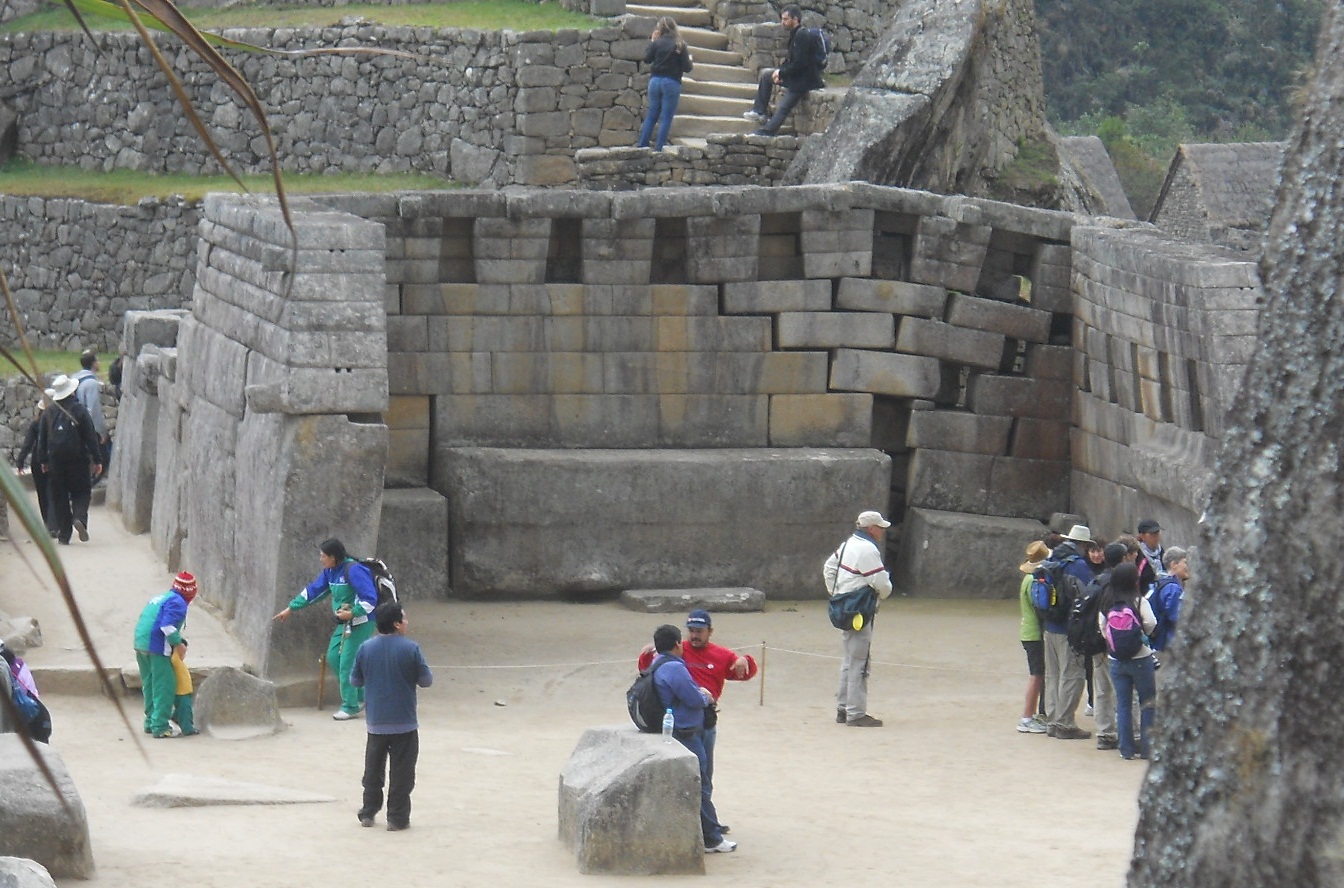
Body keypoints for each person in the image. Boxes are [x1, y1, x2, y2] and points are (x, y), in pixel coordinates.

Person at [637, 609, 757, 832]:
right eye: (691, 630)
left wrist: (745, 660)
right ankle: (700, 826)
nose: (694, 635)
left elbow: (743, 673)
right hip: (682, 723)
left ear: (710, 631)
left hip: (707, 722)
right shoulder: (677, 650)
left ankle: (705, 823)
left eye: (699, 631)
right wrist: (650, 652)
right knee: (686, 774)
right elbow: (647, 669)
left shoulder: (722, 655)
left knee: (705, 775)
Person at [649, 623, 736, 854]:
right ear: (678, 644)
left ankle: (706, 830)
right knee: (701, 782)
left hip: (673, 728)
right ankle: (712, 838)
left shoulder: (657, 662)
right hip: (686, 731)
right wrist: (706, 696)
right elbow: (693, 699)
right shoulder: (675, 668)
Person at [273, 538, 378, 720]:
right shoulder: (330, 572)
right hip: (345, 623)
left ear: (333, 557)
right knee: (333, 657)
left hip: (362, 621)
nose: (320, 559)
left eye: (323, 556)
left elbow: (370, 599)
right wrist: (291, 608)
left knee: (347, 662)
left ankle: (350, 706)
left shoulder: (354, 570)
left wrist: (353, 612)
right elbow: (313, 591)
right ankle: (362, 694)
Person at [350, 601, 433, 831]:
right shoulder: (411, 648)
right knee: (402, 773)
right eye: (404, 619)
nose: (406, 622)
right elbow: (426, 681)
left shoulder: (365, 648)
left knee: (373, 770)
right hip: (404, 722)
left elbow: (355, 680)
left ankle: (368, 812)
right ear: (397, 624)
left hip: (376, 722)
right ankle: (397, 818)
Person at [824, 509, 893, 727]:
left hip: (845, 607)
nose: (882, 531)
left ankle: (843, 708)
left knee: (849, 659)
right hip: (860, 609)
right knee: (860, 661)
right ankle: (855, 713)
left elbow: (829, 568)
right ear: (871, 529)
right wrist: (883, 593)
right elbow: (881, 582)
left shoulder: (849, 544)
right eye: (880, 528)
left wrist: (837, 593)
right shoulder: (867, 549)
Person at [1098, 562, 1157, 760]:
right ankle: (1147, 748)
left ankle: (1126, 749)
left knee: (1123, 705)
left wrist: (1114, 641)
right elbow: (1151, 622)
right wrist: (1140, 635)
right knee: (1147, 702)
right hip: (1141, 657)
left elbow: (1102, 626)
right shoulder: (1139, 601)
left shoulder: (1107, 602)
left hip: (1116, 659)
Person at [36, 373, 102, 545]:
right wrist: (97, 459)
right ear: (71, 391)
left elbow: (42, 439)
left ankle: (64, 535)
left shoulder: (49, 412)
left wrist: (43, 460)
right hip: (78, 459)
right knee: (82, 491)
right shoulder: (80, 411)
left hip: (56, 461)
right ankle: (79, 517)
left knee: (60, 496)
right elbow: (90, 437)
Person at [743, 5, 825, 136]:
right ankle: (759, 112)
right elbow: (791, 60)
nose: (782, 22)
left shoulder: (802, 35)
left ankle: (766, 132)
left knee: (783, 107)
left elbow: (800, 63)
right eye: (782, 19)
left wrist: (782, 73)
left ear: (795, 19)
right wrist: (779, 72)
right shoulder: (795, 34)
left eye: (786, 19)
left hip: (804, 81)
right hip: (796, 76)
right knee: (767, 76)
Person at [1043, 524, 1093, 740]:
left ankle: (1052, 720)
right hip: (1069, 629)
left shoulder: (1051, 559)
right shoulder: (1078, 565)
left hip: (1049, 625)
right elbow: (1087, 595)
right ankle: (1065, 723)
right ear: (1083, 545)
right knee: (1072, 675)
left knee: (1053, 675)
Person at [133, 572, 198, 739]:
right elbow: (167, 626)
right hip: (157, 647)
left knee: (149, 684)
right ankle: (160, 726)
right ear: (191, 592)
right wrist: (178, 644)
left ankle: (150, 721)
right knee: (164, 686)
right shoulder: (178, 602)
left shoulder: (162, 597)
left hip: (140, 643)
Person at [636, 16, 693, 152]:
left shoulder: (657, 43)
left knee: (652, 115)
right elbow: (687, 68)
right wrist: (690, 60)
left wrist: (652, 41)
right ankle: (659, 148)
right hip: (671, 82)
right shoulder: (680, 44)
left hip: (655, 81)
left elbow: (647, 59)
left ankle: (642, 145)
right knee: (666, 117)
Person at [1016, 540, 1049, 734]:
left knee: (1038, 675)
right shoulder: (1033, 581)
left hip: (1028, 632)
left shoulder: (1028, 579)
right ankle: (1026, 717)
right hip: (1034, 634)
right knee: (1036, 676)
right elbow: (1040, 608)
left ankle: (1031, 716)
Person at [14, 395, 54, 535]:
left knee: (42, 494)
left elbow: (28, 444)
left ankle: (48, 524)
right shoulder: (58, 422)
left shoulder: (35, 424)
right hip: (55, 460)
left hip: (37, 461)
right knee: (54, 492)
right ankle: (55, 523)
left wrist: (20, 461)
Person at [73, 349, 111, 476]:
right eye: (97, 360)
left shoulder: (75, 380)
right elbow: (93, 410)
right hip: (89, 428)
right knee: (103, 459)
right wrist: (101, 433)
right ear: (93, 363)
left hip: (77, 426)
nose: (99, 363)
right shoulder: (91, 383)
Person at [1149, 547, 1188, 656]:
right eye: (1185, 562)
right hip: (1169, 643)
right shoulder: (1173, 589)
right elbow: (1176, 617)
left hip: (1158, 642)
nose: (1188, 567)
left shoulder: (1159, 583)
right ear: (1173, 564)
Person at [169, 647, 199, 736]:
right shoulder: (175, 659)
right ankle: (187, 729)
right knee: (185, 710)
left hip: (184, 691)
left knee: (182, 709)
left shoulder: (178, 661)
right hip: (182, 692)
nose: (184, 654)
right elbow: (178, 646)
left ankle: (176, 717)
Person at [1135, 518, 1166, 590]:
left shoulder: (1161, 551)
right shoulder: (1137, 554)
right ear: (1142, 536)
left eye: (1157, 533)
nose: (1156, 536)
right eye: (1152, 534)